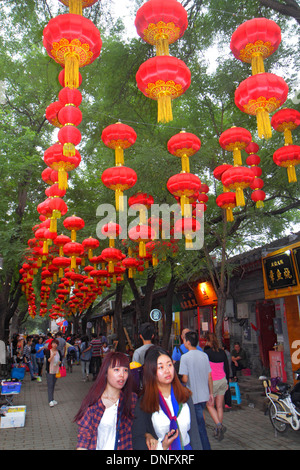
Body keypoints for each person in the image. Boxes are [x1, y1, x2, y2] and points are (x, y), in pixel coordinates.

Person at [132, 345, 202, 451]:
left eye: (169, 365)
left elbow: (195, 435)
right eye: (161, 367)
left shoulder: (185, 396)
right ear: (151, 371)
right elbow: (138, 439)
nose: (167, 370)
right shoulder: (145, 402)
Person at [74, 351, 137, 450]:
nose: (122, 375)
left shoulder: (132, 399)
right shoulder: (94, 402)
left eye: (125, 370)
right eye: (116, 370)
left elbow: (141, 428)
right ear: (106, 372)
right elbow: (84, 437)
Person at [179, 331, 213, 450]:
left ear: (188, 342)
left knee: (199, 427)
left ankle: (204, 447)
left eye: (184, 340)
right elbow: (209, 376)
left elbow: (184, 378)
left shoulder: (185, 357)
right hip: (204, 395)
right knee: (200, 424)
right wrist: (211, 393)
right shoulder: (204, 355)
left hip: (193, 397)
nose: (183, 342)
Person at [204, 332, 229, 440]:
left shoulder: (207, 352)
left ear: (208, 341)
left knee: (210, 405)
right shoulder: (222, 352)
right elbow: (227, 367)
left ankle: (219, 425)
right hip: (222, 380)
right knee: (219, 406)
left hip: (212, 381)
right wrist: (227, 381)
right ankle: (218, 429)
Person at [47, 338, 61, 407]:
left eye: (56, 344)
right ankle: (50, 400)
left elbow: (60, 359)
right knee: (50, 385)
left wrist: (59, 362)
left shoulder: (59, 351)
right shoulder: (48, 351)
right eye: (53, 343)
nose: (54, 345)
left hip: (56, 370)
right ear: (51, 344)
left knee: (53, 385)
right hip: (50, 370)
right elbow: (48, 360)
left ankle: (52, 399)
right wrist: (52, 355)